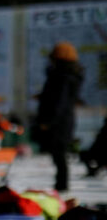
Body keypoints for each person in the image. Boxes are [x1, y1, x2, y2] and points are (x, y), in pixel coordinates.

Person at [33, 42, 85, 192]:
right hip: (64, 119)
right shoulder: (70, 74)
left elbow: (59, 101)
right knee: (59, 154)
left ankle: (62, 185)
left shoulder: (62, 76)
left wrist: (48, 121)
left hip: (58, 120)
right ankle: (61, 184)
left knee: (59, 154)